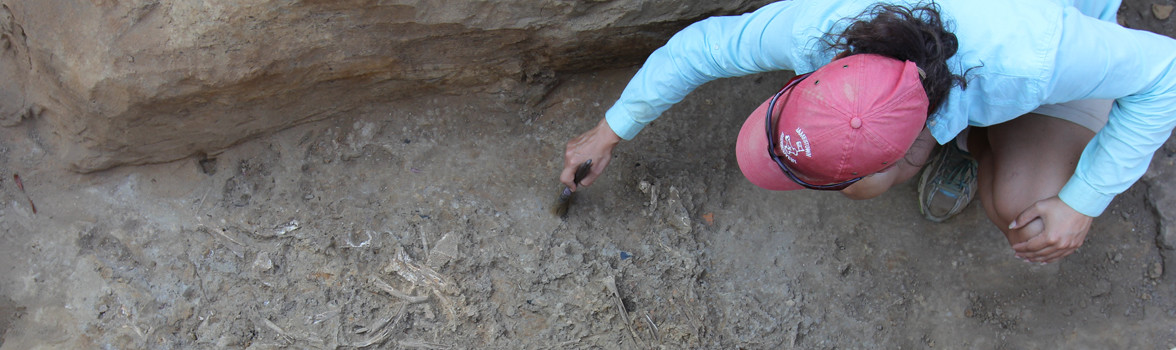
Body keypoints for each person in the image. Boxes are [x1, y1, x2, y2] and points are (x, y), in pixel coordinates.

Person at [559, 0, 1176, 263]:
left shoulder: (1036, 55)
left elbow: (1163, 73)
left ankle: (980, 144)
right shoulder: (823, 24)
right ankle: (969, 137)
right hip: (972, 75)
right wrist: (610, 131)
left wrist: (1082, 201)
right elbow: (701, 49)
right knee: (863, 186)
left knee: (1022, 206)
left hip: (1054, 36)